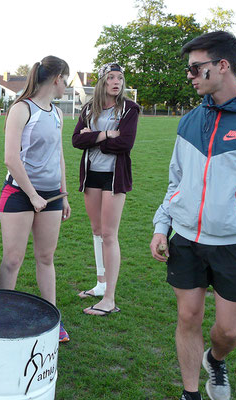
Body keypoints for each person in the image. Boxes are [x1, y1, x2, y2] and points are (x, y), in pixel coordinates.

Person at [150, 31, 236, 400]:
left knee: (228, 332)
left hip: (234, 243)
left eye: (196, 68)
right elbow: (174, 182)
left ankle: (216, 359)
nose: (191, 76)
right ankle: (191, 393)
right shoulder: (189, 121)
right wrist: (161, 226)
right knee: (188, 317)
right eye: (189, 70)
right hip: (186, 238)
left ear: (222, 66)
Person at [0, 55, 72, 342]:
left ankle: (53, 317)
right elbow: (10, 159)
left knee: (45, 257)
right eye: (66, 79)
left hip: (51, 197)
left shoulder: (57, 113)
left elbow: (59, 156)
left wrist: (62, 194)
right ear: (56, 78)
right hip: (19, 194)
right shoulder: (21, 109)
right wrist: (33, 195)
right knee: (13, 259)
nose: (67, 85)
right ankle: (0, 317)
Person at [72, 63, 140, 316]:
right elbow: (77, 139)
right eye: (111, 77)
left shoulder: (129, 109)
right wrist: (104, 135)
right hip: (92, 177)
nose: (116, 82)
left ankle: (109, 299)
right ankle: (101, 284)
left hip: (114, 178)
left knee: (110, 234)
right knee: (97, 230)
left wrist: (95, 137)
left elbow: (125, 142)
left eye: (120, 78)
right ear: (102, 81)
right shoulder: (90, 108)